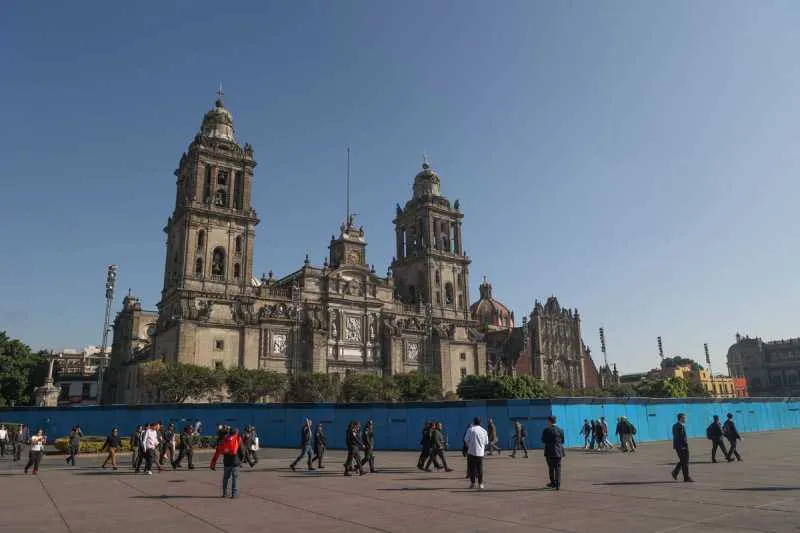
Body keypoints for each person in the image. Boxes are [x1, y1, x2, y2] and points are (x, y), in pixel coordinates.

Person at [210, 427, 246, 498]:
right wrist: (241, 460)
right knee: (234, 479)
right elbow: (242, 451)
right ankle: (234, 494)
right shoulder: (238, 438)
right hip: (235, 462)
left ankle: (224, 493)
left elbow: (220, 450)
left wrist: (214, 463)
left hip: (226, 462)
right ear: (236, 432)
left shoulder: (225, 439)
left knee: (225, 478)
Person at [464, 417, 489, 489]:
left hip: (471, 452)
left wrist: (469, 446)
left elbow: (466, 440)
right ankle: (480, 484)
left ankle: (472, 483)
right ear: (480, 423)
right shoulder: (484, 431)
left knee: (472, 469)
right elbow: (486, 442)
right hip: (480, 453)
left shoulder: (470, 429)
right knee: (480, 469)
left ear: (474, 422)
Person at [541, 416, 565, 490]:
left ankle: (553, 483)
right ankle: (558, 484)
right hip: (558, 452)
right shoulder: (561, 430)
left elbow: (543, 440)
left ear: (549, 421)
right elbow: (563, 441)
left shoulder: (546, 430)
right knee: (558, 468)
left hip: (549, 452)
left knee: (551, 468)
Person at [671, 413, 693, 482]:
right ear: (681, 418)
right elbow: (678, 437)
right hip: (681, 447)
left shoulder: (677, 425)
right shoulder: (679, 426)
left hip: (680, 446)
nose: (685, 419)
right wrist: (683, 446)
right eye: (684, 418)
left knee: (683, 461)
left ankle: (675, 472)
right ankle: (686, 477)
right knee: (685, 462)